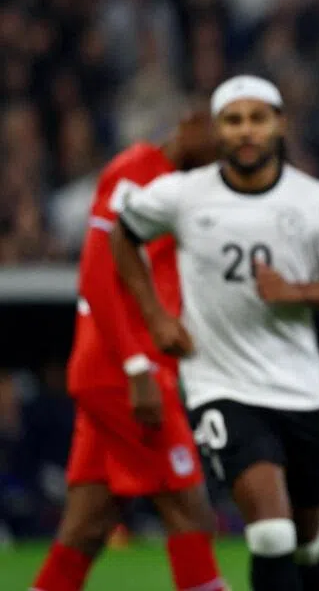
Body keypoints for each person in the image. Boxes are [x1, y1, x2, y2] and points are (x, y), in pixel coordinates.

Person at [109, 75, 319, 591]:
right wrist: (157, 316)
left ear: (279, 124)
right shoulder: (184, 194)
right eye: (233, 120)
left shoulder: (314, 200)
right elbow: (122, 234)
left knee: (307, 539)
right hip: (221, 386)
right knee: (271, 532)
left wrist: (295, 292)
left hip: (300, 389)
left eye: (256, 118)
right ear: (218, 130)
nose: (245, 131)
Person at [30, 112, 224, 591]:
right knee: (189, 509)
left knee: (86, 529)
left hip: (122, 371)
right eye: (220, 143)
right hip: (124, 372)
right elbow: (97, 273)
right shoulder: (134, 170)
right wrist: (137, 365)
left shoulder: (184, 189)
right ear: (193, 128)